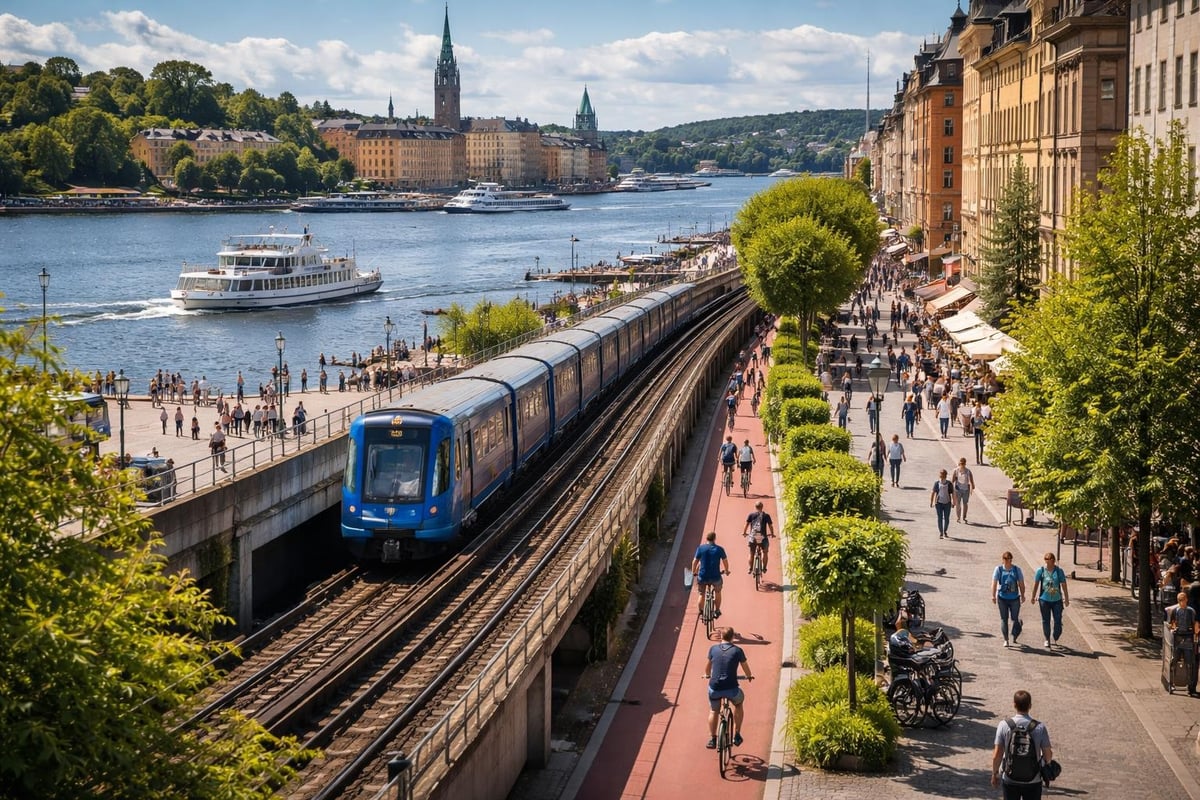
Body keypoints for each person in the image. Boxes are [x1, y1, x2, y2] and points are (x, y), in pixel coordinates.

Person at [992, 689, 1053, 799]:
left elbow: (997, 755)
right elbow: (1048, 755)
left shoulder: (1004, 725)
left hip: (1010, 778)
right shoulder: (1040, 727)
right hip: (1033, 779)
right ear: (1030, 706)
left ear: (1014, 705)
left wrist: (994, 773)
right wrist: (1045, 763)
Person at [704, 626, 753, 749]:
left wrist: (707, 675)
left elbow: (708, 668)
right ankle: (737, 734)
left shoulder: (713, 649)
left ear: (721, 636)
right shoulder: (737, 651)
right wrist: (749, 676)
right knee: (739, 704)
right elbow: (745, 667)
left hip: (715, 688)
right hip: (732, 688)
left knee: (713, 711)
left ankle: (713, 739)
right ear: (733, 637)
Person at [1165, 590, 1200, 695]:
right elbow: (1172, 624)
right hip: (1178, 639)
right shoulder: (1175, 611)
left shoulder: (1191, 611)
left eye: (1183, 600)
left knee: (1190, 664)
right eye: (1180, 600)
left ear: (1186, 600)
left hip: (1188, 640)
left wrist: (1195, 633)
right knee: (1174, 662)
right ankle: (1171, 684)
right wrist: (1172, 628)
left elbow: (1195, 625)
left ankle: (1190, 687)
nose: (1182, 602)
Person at [1031, 553, 1069, 649]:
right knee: (1046, 620)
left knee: (1058, 620)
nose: (1047, 561)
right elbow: (1036, 584)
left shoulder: (1059, 571)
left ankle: (1056, 634)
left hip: (1057, 600)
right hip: (1044, 600)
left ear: (1053, 560)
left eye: (1049, 559)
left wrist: (1066, 598)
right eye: (1046, 559)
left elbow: (1064, 585)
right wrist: (1033, 596)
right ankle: (1047, 639)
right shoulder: (1041, 571)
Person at [692, 531, 730, 619]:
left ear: (706, 538)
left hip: (702, 576)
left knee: (701, 594)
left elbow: (695, 561)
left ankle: (701, 612)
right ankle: (717, 610)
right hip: (715, 577)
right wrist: (726, 570)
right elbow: (725, 561)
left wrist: (694, 572)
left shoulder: (700, 548)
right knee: (718, 592)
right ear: (714, 539)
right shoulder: (720, 549)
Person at [992, 552, 1026, 647]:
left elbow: (1021, 583)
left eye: (1009, 559)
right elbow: (994, 583)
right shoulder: (998, 569)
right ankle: (1006, 639)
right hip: (1002, 598)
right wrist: (993, 595)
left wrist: (1023, 595)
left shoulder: (1016, 570)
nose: (1008, 561)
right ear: (1003, 559)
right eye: (1006, 559)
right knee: (1004, 619)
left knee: (1014, 619)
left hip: (1014, 598)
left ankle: (1016, 631)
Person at [743, 501, 775, 573]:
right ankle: (764, 568)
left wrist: (744, 533)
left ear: (755, 507)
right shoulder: (766, 516)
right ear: (762, 507)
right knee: (765, 552)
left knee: (751, 553)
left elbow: (746, 525)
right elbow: (770, 526)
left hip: (753, 537)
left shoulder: (751, 515)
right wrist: (772, 534)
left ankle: (750, 568)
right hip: (762, 537)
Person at [930, 468, 954, 539]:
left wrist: (953, 502)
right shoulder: (937, 483)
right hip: (939, 503)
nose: (942, 476)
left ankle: (943, 532)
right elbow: (933, 492)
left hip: (946, 503)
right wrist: (931, 502)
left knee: (943, 518)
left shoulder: (949, 483)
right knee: (943, 518)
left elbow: (953, 493)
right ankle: (942, 532)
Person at [952, 457, 976, 522]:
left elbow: (971, 481)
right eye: (961, 463)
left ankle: (964, 517)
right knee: (958, 503)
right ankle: (958, 517)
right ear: (959, 463)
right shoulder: (956, 470)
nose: (962, 465)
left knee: (965, 503)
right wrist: (951, 489)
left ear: (965, 464)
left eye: (963, 464)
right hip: (958, 489)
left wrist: (972, 487)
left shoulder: (968, 471)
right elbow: (952, 480)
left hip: (966, 489)